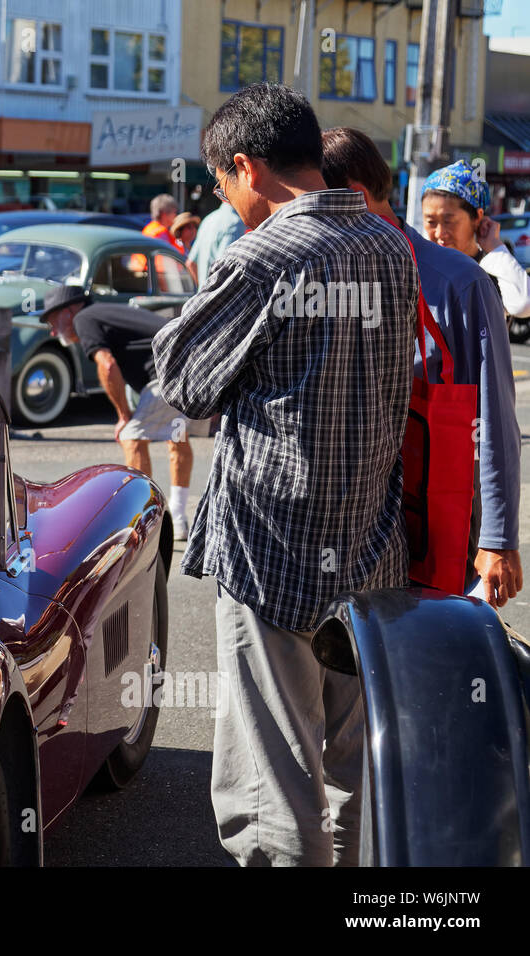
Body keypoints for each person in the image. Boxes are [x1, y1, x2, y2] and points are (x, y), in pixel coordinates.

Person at [152, 83, 418, 867]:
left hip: (270, 544)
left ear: (246, 166)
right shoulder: (385, 246)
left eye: (221, 184)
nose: (225, 201)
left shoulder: (264, 255)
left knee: (270, 781)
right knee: (349, 765)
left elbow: (184, 380)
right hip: (368, 544)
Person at [322, 128, 521, 606]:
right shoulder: (324, 273)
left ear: (354, 196)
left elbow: (493, 417)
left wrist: (497, 537)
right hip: (341, 527)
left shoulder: (459, 282)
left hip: (432, 518)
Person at [71, 294, 208, 539]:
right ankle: (178, 518)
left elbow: (108, 365)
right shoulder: (111, 311)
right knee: (177, 437)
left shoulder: (83, 318)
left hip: (166, 377)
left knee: (131, 436)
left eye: (52, 322)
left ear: (68, 310)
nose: (52, 332)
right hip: (193, 369)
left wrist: (123, 416)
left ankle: (144, 523)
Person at [421, 161, 530, 321]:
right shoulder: (418, 267)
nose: (439, 233)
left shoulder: (491, 273)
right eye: (431, 222)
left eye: (449, 221)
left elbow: (523, 304)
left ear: (478, 217)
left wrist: (494, 246)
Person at [186, 201, 246, 286]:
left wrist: (202, 289)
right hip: (220, 296)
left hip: (204, 295)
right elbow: (224, 267)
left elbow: (191, 263)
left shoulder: (208, 219)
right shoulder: (235, 222)